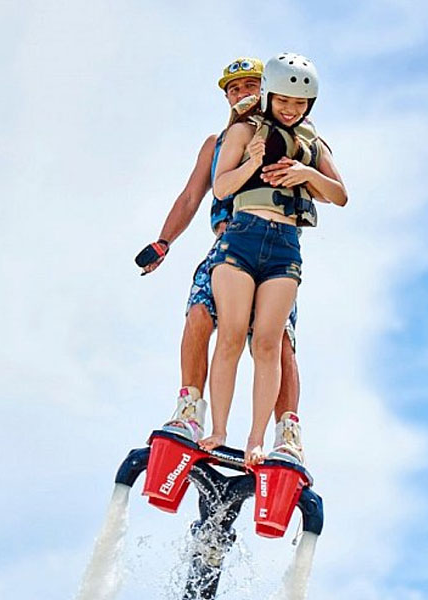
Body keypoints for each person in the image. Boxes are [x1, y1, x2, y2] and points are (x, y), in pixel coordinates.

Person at [136, 57, 305, 462]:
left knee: (277, 340)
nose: (242, 94)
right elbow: (192, 195)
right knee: (199, 315)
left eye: (250, 86)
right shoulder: (216, 144)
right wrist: (163, 241)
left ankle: (287, 433)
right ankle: (190, 410)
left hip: (273, 242)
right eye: (234, 89)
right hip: (226, 244)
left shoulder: (283, 135)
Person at [198, 53, 347, 466]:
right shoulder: (246, 130)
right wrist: (251, 161)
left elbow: (339, 194)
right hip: (243, 236)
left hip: (285, 246)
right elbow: (222, 188)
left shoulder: (312, 143)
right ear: (268, 94)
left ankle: (256, 439)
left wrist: (307, 174)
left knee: (267, 342)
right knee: (229, 334)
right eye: (284, 100)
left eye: (300, 104)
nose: (291, 109)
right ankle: (218, 430)